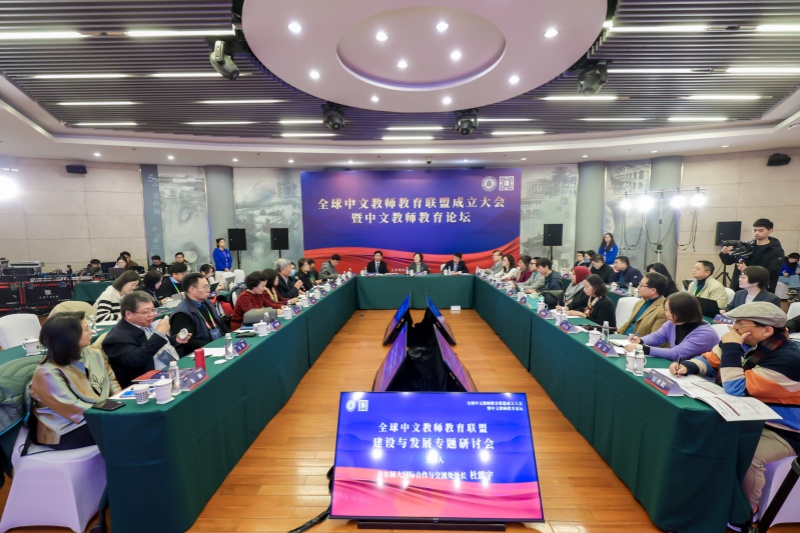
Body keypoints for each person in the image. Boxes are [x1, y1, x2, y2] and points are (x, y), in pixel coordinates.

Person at [672, 302, 800, 530]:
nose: (734, 328)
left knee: (750, 455)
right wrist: (688, 366)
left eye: (741, 323)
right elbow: (711, 360)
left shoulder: (788, 360)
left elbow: (735, 387)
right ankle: (706, 498)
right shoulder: (746, 341)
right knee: (706, 437)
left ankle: (743, 515)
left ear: (767, 330)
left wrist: (732, 347)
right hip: (749, 418)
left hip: (784, 430)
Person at [29, 312, 121, 448]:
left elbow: (111, 381)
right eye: (86, 329)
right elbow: (74, 408)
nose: (91, 332)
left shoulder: (93, 353)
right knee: (123, 428)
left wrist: (122, 401)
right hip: (66, 428)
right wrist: (116, 412)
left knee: (132, 422)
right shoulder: (47, 372)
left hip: (98, 414)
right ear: (69, 337)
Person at [102, 292, 191, 388]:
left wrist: (174, 340)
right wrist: (159, 335)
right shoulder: (116, 337)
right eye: (145, 312)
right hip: (144, 386)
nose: (151, 314)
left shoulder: (144, 324)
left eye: (153, 310)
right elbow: (135, 360)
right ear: (128, 314)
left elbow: (152, 343)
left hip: (167, 373)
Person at [625, 292, 718, 361]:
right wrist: (640, 341)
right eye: (666, 310)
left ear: (686, 311)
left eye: (672, 311)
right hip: (678, 368)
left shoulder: (704, 333)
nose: (667, 314)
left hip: (699, 375)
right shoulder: (673, 322)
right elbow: (657, 337)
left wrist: (642, 348)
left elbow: (676, 353)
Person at [169, 273, 229, 356]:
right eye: (205, 287)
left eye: (208, 286)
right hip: (201, 354)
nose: (209, 290)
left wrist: (229, 337)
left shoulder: (208, 303)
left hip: (219, 346)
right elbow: (188, 343)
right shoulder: (181, 314)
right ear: (192, 289)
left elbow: (219, 323)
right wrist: (214, 346)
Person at [720, 218, 784, 292]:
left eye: (761, 230)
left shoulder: (775, 250)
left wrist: (747, 270)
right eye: (754, 230)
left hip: (761, 289)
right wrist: (724, 253)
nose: (756, 233)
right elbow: (728, 261)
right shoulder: (747, 246)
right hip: (740, 287)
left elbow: (773, 271)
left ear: (770, 231)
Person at [618, 272, 669, 337]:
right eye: (639, 284)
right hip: (622, 338)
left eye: (641, 285)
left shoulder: (664, 310)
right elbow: (629, 323)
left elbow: (655, 338)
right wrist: (617, 334)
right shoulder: (640, 302)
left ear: (653, 290)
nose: (638, 287)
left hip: (637, 341)